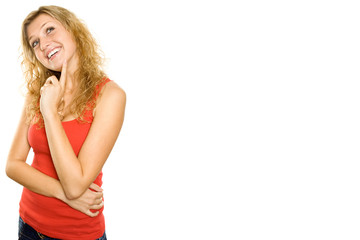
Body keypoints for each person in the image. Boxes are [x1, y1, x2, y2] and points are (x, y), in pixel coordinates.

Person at [6, 5, 126, 240]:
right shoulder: (39, 92)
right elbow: (12, 165)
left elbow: (76, 185)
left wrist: (49, 113)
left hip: (77, 234)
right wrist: (62, 193)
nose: (43, 44)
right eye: (35, 43)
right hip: (28, 224)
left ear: (73, 29)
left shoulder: (110, 96)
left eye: (49, 30)